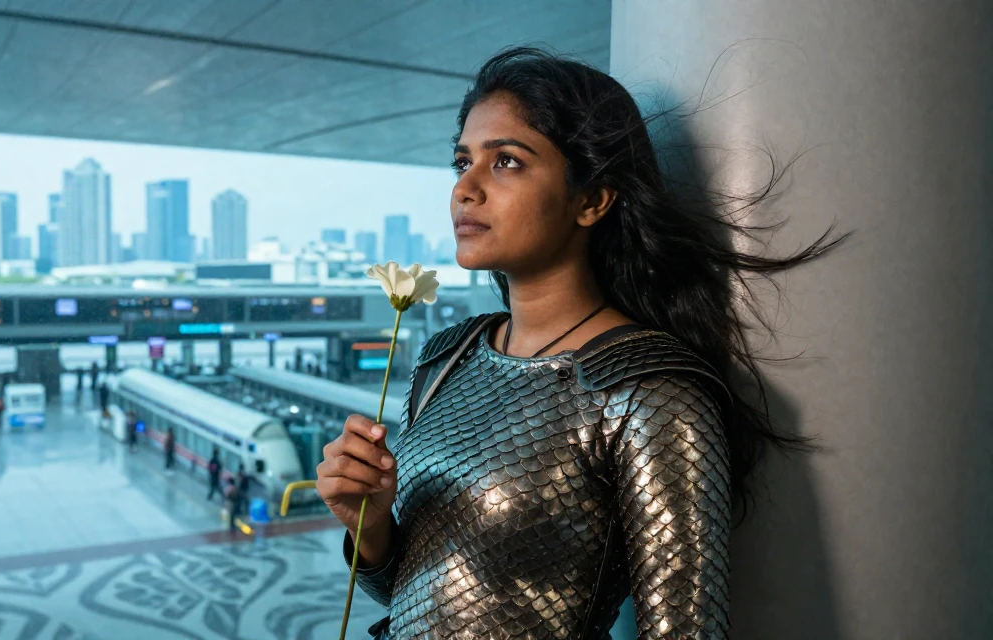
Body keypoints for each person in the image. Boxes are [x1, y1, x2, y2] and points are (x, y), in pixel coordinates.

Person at [315, 48, 842, 639]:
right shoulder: (447, 356)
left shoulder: (646, 390)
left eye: (507, 162)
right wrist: (369, 522)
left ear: (592, 200)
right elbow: (409, 588)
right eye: (462, 161)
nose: (466, 188)